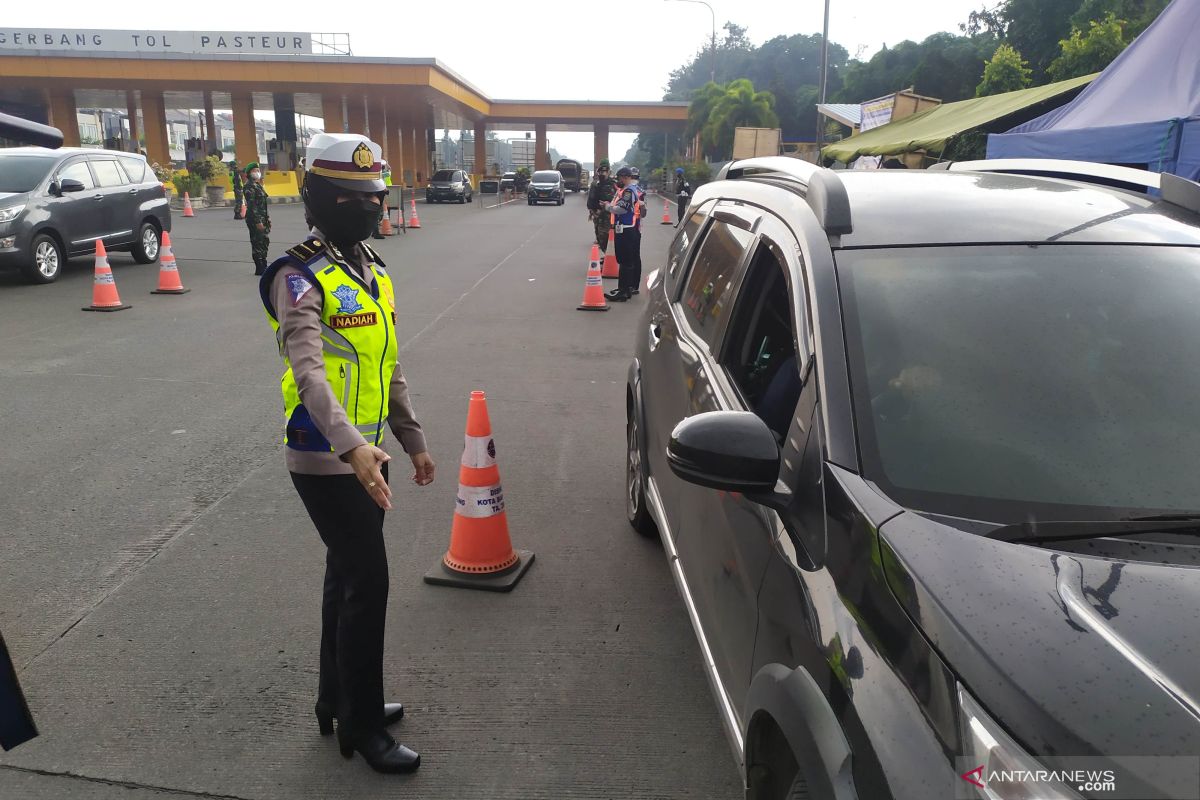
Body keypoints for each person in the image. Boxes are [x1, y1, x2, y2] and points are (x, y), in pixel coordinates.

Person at [258, 133, 435, 775]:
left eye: (375, 195)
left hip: (370, 453)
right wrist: (355, 449)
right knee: (369, 581)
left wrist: (409, 438)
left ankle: (336, 698)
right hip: (323, 456)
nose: (370, 207)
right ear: (320, 200)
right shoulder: (298, 276)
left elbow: (386, 364)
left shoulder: (371, 271)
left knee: (346, 574)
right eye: (355, 197)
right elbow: (310, 375)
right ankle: (361, 727)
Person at [603, 166, 644, 302]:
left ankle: (623, 290)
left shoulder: (628, 191)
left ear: (626, 177)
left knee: (625, 260)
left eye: (620, 178)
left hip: (627, 229)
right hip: (625, 228)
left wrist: (608, 207)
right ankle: (625, 289)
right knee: (625, 260)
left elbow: (621, 209)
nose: (618, 180)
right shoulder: (625, 191)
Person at [243, 163, 271, 276]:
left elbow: (263, 205)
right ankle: (259, 267)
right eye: (254, 170)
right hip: (254, 219)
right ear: (249, 173)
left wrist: (267, 219)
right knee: (257, 242)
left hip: (263, 217)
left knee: (264, 241)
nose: (257, 172)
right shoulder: (249, 186)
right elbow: (252, 206)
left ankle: (264, 263)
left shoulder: (258, 185)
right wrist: (258, 221)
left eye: (258, 170)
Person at [586, 160, 618, 254]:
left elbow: (615, 199)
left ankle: (610, 257)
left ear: (608, 172)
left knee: (606, 237)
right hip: (597, 215)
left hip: (607, 215)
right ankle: (607, 256)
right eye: (600, 172)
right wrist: (591, 210)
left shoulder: (613, 184)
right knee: (599, 237)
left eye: (604, 172)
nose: (602, 174)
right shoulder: (595, 184)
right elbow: (591, 198)